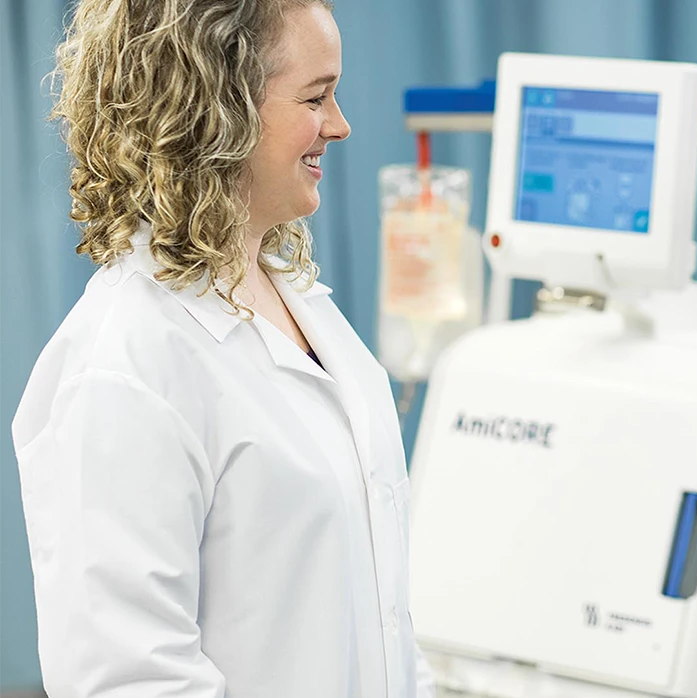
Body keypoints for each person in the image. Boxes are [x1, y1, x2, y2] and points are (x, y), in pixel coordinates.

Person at [11, 1, 436, 696]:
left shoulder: (303, 306)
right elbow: (129, 679)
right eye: (315, 96)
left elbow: (385, 614)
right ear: (220, 109)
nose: (340, 124)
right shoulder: (126, 363)